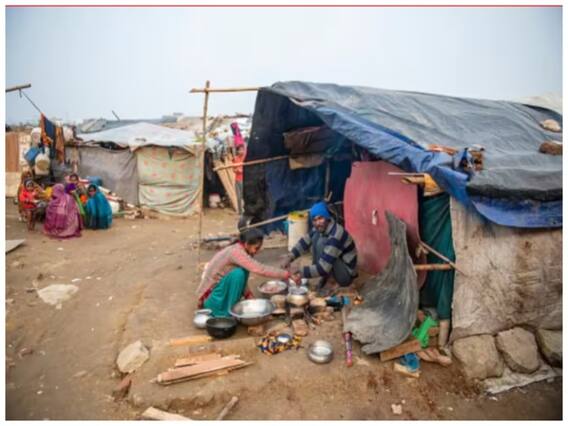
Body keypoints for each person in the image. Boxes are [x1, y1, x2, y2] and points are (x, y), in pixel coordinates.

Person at [196, 229, 295, 317]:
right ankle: (227, 313)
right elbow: (260, 269)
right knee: (238, 274)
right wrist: (287, 274)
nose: (257, 251)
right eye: (256, 248)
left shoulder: (239, 249)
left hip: (216, 293)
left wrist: (248, 295)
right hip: (212, 300)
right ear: (247, 244)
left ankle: (229, 309)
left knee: (242, 271)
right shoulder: (236, 252)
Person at [281, 201, 358, 295]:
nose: (317, 223)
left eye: (320, 218)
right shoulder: (320, 228)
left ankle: (332, 281)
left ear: (327, 217)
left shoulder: (336, 234)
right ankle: (326, 276)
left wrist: (300, 271)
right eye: (314, 220)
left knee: (321, 242)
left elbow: (323, 268)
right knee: (315, 237)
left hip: (346, 275)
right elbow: (304, 241)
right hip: (333, 267)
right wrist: (290, 257)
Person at [233, 145, 246, 215]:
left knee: (245, 196)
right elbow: (233, 169)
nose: (241, 151)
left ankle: (246, 210)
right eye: (240, 150)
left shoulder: (245, 158)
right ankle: (240, 211)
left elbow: (248, 167)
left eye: (242, 150)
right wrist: (237, 170)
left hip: (244, 179)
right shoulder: (236, 158)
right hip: (237, 180)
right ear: (237, 151)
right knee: (238, 197)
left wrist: (242, 170)